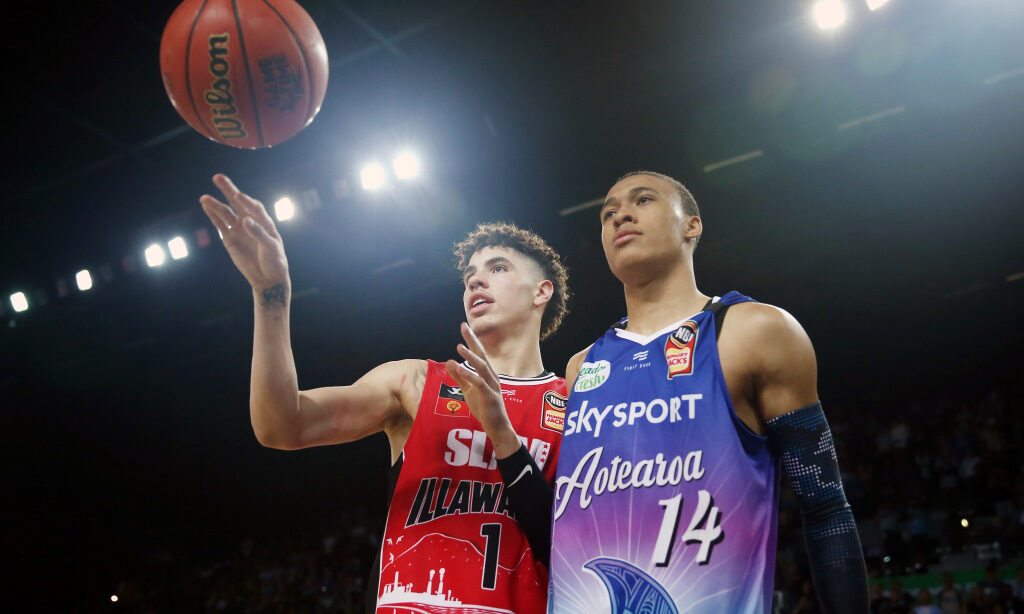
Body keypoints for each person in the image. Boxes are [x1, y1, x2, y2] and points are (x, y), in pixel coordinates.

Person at [199, 175, 570, 613]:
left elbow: (575, 549)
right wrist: (270, 295)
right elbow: (281, 424)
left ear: (541, 291)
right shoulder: (414, 382)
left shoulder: (578, 406)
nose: (475, 282)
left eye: (498, 268)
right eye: (469, 276)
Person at [548, 171, 870, 613]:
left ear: (691, 225)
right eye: (608, 213)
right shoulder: (581, 368)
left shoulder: (755, 331)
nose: (620, 214)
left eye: (643, 200)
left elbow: (826, 507)